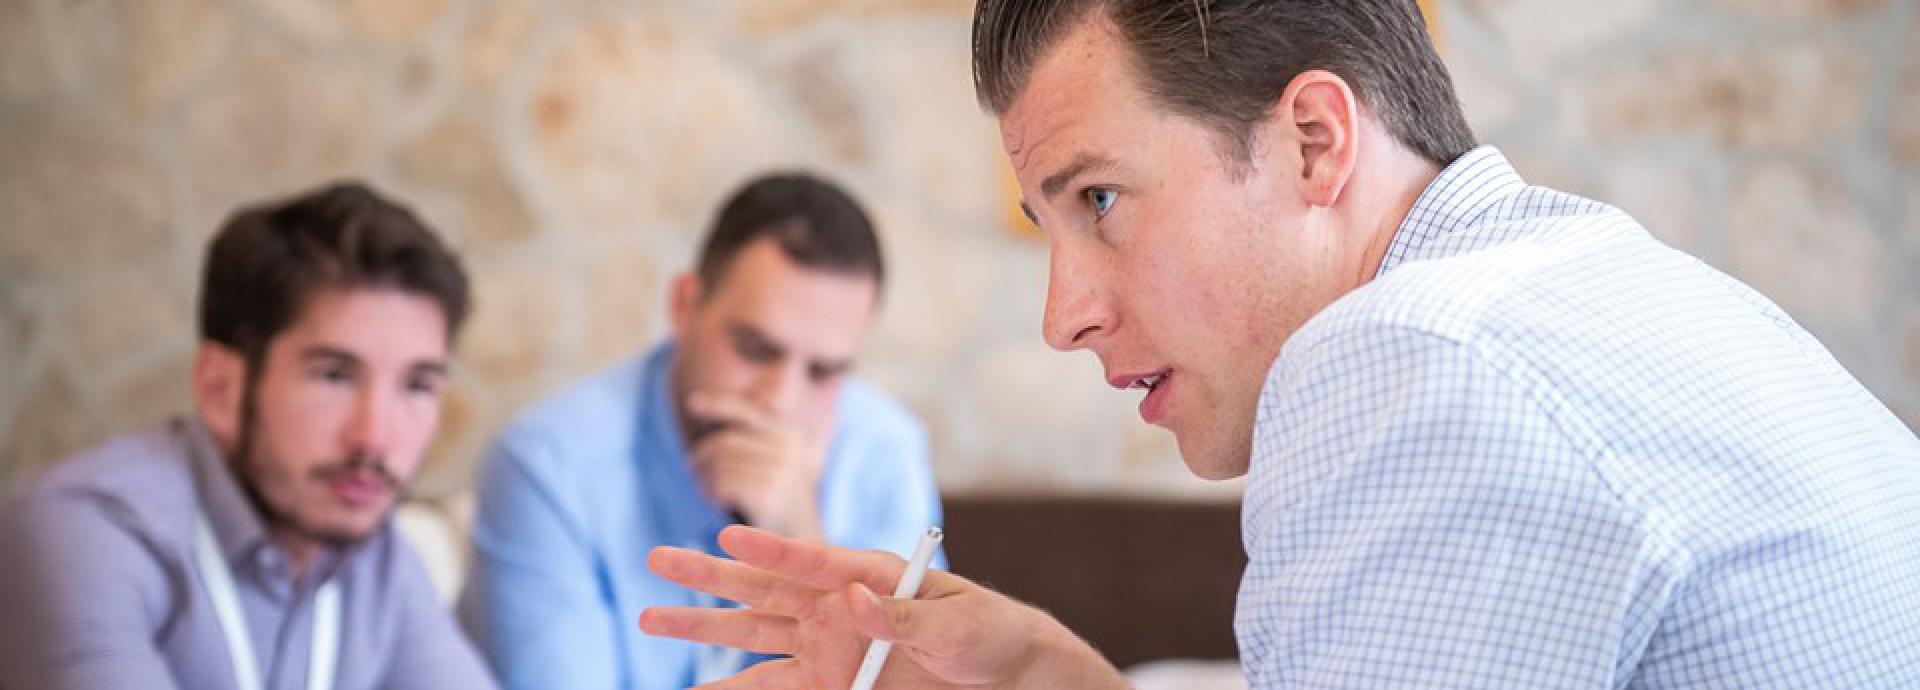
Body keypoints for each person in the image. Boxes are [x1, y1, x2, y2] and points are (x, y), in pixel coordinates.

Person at [638, 1, 1920, 687]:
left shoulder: (1415, 357)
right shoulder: (1602, 283)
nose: (1060, 314)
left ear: (1315, 140)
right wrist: (1050, 680)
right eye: (1045, 226)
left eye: (1099, 201)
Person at [0, 182, 499, 689]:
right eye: (333, 375)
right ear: (220, 388)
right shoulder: (80, 531)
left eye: (417, 385)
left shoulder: (376, 555)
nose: (374, 438)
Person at [459, 171, 944, 689]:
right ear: (685, 306)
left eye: (823, 373)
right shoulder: (545, 469)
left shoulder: (887, 453)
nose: (780, 400)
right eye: (755, 349)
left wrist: (802, 548)